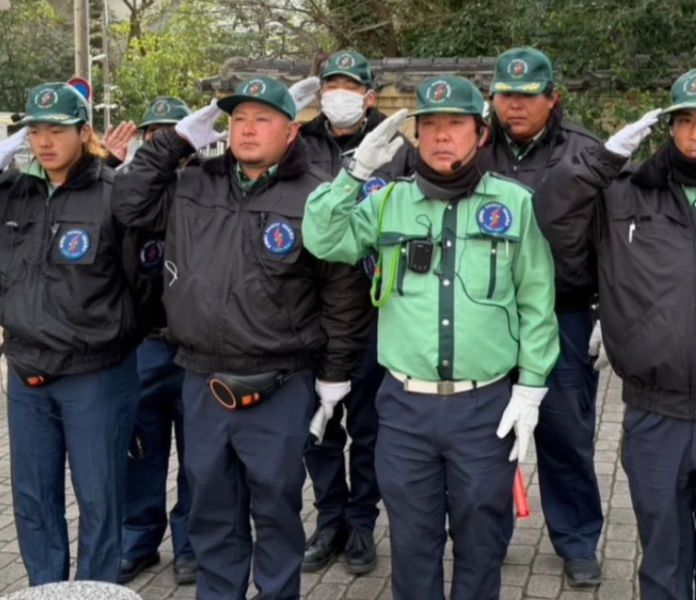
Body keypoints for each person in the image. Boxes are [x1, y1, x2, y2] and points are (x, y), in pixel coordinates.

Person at [538, 66, 696, 600]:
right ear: (670, 126)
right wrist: (601, 162)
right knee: (661, 565)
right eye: (684, 120)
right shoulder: (626, 196)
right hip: (654, 418)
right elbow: (550, 218)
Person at [111, 76, 372, 599]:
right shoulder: (193, 183)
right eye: (239, 120)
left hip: (280, 380)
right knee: (211, 507)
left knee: (275, 506)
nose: (248, 130)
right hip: (202, 377)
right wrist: (175, 142)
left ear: (291, 131)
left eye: (263, 119)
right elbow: (128, 203)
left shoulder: (317, 191)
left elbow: (342, 293)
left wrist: (335, 374)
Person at [303, 75, 559, 600]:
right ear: (417, 135)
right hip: (405, 409)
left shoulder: (514, 203)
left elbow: (536, 300)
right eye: (431, 125)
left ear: (480, 134)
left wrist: (532, 386)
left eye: (456, 124)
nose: (442, 136)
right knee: (413, 545)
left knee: (481, 542)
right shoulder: (386, 202)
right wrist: (354, 173)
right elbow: (323, 239)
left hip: (484, 409)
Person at [0, 81, 141, 584]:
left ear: (84, 133)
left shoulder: (114, 193)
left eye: (57, 130)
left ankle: (95, 590)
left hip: (95, 375)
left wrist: (112, 334)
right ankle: (46, 590)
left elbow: (144, 286)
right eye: (35, 130)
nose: (44, 141)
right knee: (33, 498)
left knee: (100, 498)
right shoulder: (13, 194)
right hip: (27, 374)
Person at [480, 46, 604, 586]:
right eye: (506, 94)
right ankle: (487, 537)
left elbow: (610, 239)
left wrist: (607, 313)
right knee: (485, 435)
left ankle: (577, 540)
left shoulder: (585, 152)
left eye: (528, 95)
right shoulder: (474, 147)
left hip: (563, 314)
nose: (516, 105)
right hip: (486, 315)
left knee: (564, 432)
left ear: (553, 98)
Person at [298, 49, 414, 575]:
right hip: (305, 314)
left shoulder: (397, 150)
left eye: (350, 87)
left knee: (370, 430)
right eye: (331, 86)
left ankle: (363, 521)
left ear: (369, 96)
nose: (339, 96)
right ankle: (329, 519)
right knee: (318, 431)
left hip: (373, 316)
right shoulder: (298, 145)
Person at [109, 97, 198, 586]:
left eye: (172, 132)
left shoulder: (205, 188)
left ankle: (191, 544)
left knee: (198, 455)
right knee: (140, 450)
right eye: (154, 134)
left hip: (194, 348)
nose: (162, 141)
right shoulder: (127, 194)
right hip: (144, 345)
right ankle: (139, 539)